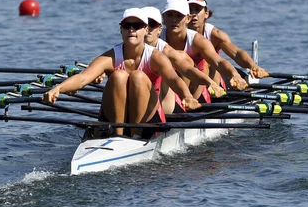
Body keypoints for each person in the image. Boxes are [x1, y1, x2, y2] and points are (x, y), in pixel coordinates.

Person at [43, 8, 200, 138]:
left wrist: (187, 96)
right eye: (127, 25)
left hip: (148, 118)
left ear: (145, 30)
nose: (131, 29)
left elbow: (173, 79)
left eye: (137, 25)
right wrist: (58, 89)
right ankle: (118, 136)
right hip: (115, 119)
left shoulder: (156, 57)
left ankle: (135, 134)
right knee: (119, 75)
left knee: (138, 76)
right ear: (121, 30)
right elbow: (83, 78)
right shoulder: (110, 56)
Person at [160, 0, 248, 102]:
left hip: (198, 92)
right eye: (169, 15)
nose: (174, 20)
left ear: (188, 18)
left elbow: (219, 62)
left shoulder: (199, 41)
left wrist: (235, 75)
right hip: (170, 93)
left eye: (179, 16)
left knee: (182, 57)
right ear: (163, 18)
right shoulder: (156, 38)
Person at [141, 6, 226, 113]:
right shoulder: (123, 49)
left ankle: (186, 103)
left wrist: (210, 83)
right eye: (141, 25)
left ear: (159, 29)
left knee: (176, 60)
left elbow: (188, 71)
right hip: (142, 99)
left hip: (168, 102)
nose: (147, 29)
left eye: (152, 24)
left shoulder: (167, 49)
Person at [184, 0, 268, 89]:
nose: (193, 14)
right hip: (187, 80)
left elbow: (236, 53)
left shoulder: (215, 35)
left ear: (206, 14)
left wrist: (253, 66)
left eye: (197, 9)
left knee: (207, 61)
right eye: (190, 10)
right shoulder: (173, 35)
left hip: (217, 83)